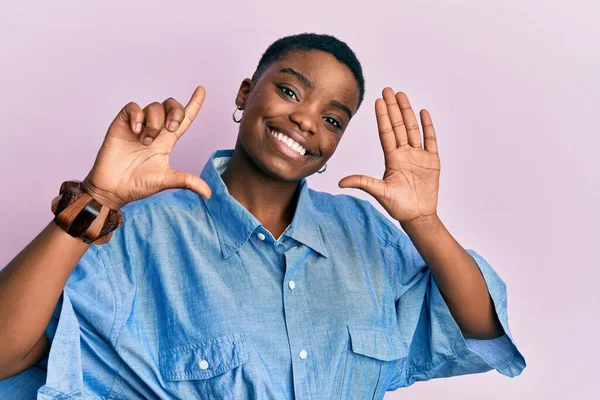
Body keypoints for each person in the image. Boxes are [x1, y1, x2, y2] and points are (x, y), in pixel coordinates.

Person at [0, 33, 525, 399]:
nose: (305, 119)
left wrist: (424, 223)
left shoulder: (367, 236)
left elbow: (479, 328)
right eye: (290, 90)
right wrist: (97, 194)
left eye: (333, 119)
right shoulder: (143, 233)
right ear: (246, 93)